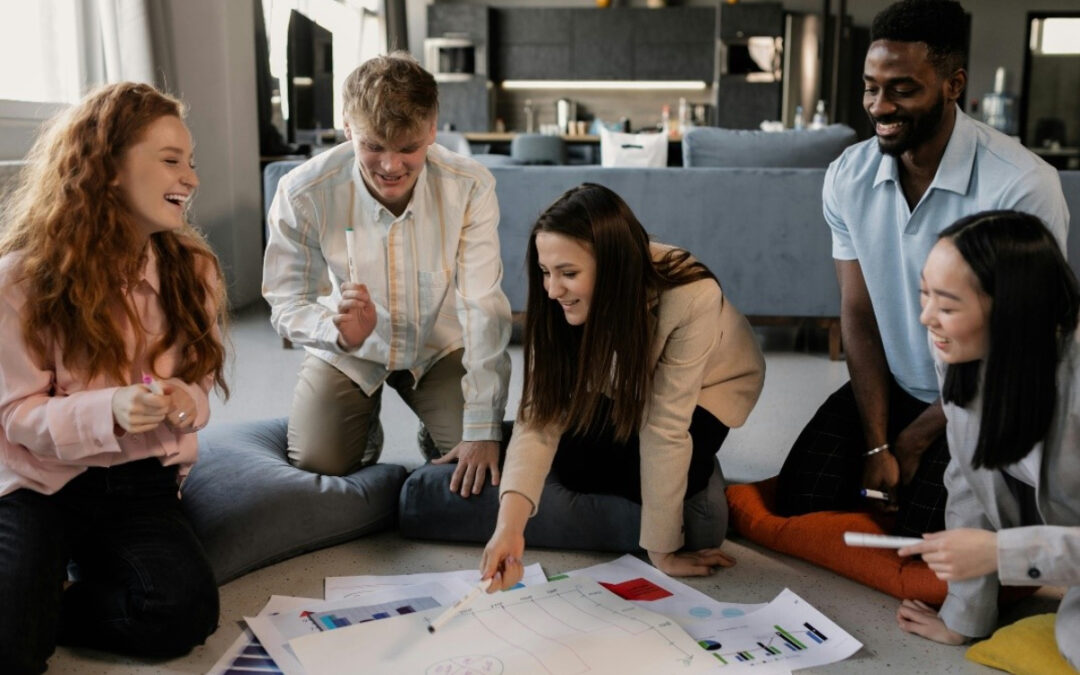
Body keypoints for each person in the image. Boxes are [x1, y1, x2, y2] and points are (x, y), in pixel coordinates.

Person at [776, 0, 1069, 536]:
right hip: (892, 385)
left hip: (982, 394)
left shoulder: (1021, 184)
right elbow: (858, 312)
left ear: (953, 84)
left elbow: (1018, 340)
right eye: (871, 87)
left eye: (903, 89)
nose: (880, 106)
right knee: (798, 504)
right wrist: (877, 442)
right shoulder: (847, 175)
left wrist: (910, 443)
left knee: (927, 535)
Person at [0, 82, 229, 673]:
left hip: (138, 477)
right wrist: (108, 410)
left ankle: (57, 599)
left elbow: (199, 385)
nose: (192, 178)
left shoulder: (194, 270)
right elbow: (14, 416)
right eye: (172, 160)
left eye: (192, 163)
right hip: (38, 479)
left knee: (182, 613)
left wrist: (187, 402)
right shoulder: (19, 280)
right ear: (106, 169)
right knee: (12, 648)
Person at [479, 183, 765, 586]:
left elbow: (665, 425)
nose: (551, 289)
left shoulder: (692, 295)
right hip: (626, 382)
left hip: (707, 388)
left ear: (610, 265)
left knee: (632, 466)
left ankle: (700, 471)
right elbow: (541, 413)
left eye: (568, 273)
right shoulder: (559, 300)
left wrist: (662, 552)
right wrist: (508, 528)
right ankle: (497, 438)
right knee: (574, 459)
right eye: (546, 272)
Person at [263, 52, 511, 497]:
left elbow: (484, 309)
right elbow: (285, 302)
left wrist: (483, 424)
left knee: (476, 457)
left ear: (433, 130)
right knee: (319, 460)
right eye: (373, 146)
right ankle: (364, 431)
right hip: (350, 345)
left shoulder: (471, 186)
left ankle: (432, 432)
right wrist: (334, 331)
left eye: (408, 148)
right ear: (348, 128)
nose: (391, 166)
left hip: (437, 341)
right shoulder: (303, 192)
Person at [894, 210, 1080, 669]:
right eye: (924, 295)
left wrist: (1003, 553)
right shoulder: (963, 351)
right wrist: (964, 616)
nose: (925, 318)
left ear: (1012, 310)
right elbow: (968, 476)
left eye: (948, 305)